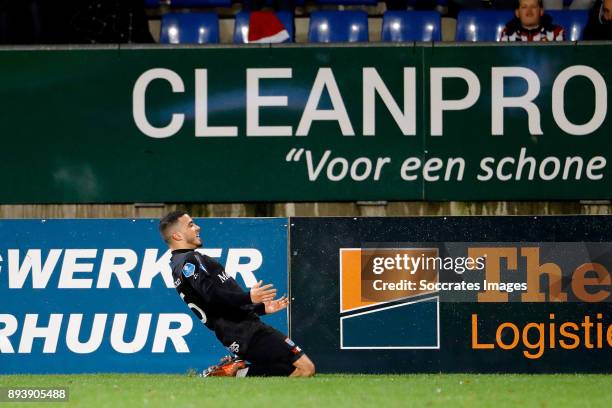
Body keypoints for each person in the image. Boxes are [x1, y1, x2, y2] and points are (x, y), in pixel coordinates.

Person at [159, 211, 315, 377]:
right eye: (190, 224)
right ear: (177, 236)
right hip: (246, 332)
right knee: (306, 369)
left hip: (236, 334)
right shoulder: (189, 261)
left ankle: (234, 372)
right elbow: (213, 296)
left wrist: (260, 308)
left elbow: (217, 305)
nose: (197, 227)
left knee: (287, 369)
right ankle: (234, 373)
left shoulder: (178, 265)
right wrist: (249, 298)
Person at [499, 0, 565, 41]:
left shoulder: (556, 33)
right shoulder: (507, 34)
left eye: (533, 7)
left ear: (541, 11)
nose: (529, 12)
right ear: (517, 13)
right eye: (524, 7)